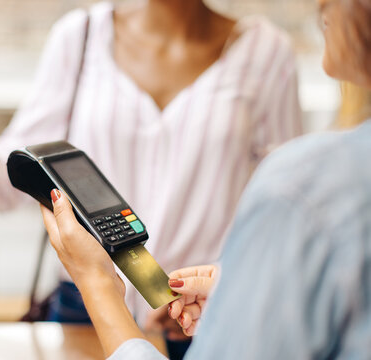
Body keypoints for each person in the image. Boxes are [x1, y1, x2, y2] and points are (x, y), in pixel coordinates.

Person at [0, 0, 301, 355]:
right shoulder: (80, 38)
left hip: (203, 315)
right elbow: (14, 180)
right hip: (82, 311)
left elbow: (283, 212)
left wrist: (228, 284)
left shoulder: (267, 52)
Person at [39, 0, 371, 358]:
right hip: (171, 308)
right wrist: (240, 284)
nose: (320, 3)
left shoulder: (301, 188)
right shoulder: (80, 36)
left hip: (168, 319)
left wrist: (97, 281)